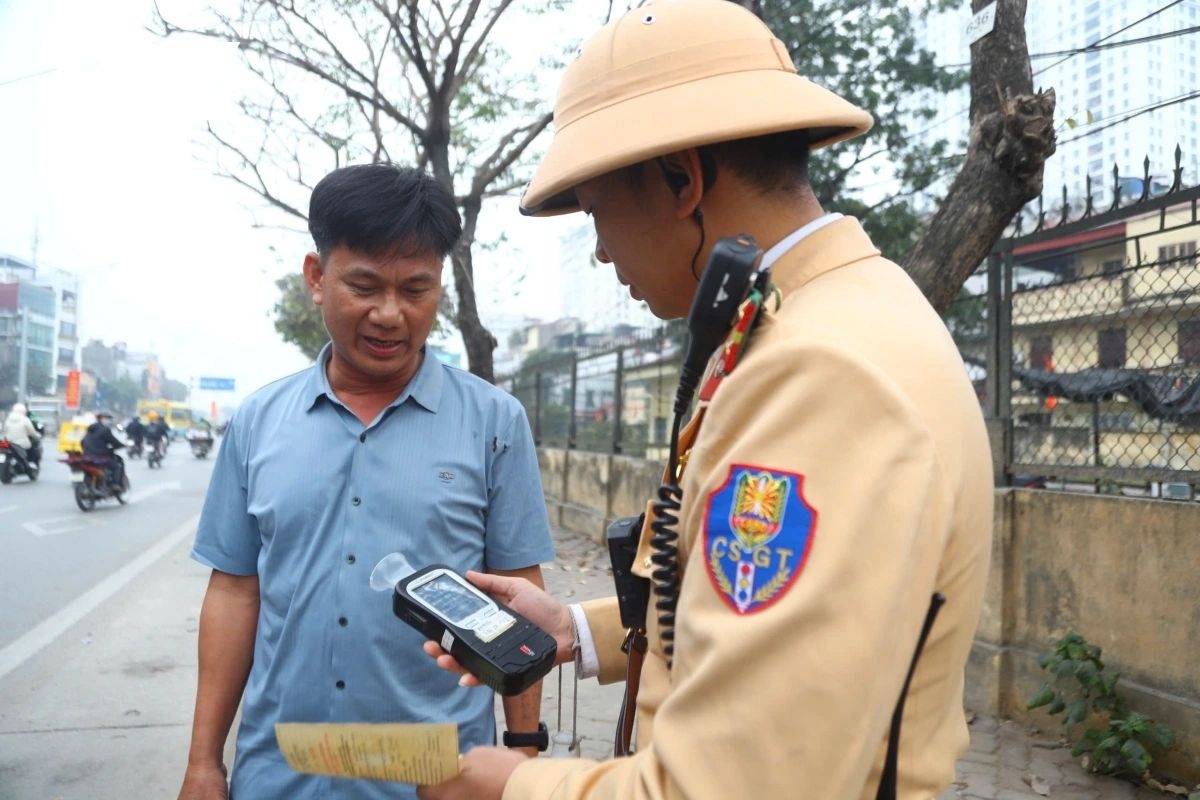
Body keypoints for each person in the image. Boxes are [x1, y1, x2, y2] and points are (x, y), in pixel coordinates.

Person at [418, 2, 994, 799]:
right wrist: (574, 630)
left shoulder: (822, 375)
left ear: (681, 179)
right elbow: (739, 612)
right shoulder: (826, 316)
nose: (598, 246)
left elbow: (734, 785)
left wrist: (511, 788)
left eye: (594, 210)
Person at [177, 163, 556, 800]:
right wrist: (203, 764)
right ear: (317, 278)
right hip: (280, 769)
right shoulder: (257, 424)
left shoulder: (494, 422)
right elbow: (235, 593)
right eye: (365, 285)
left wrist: (523, 756)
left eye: (416, 289)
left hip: (439, 775)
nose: (390, 314)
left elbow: (518, 593)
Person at [81, 409, 125, 488]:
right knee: (116, 467)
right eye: (106, 418)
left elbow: (82, 442)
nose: (108, 420)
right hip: (100, 457)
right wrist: (122, 445)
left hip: (87, 456)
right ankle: (115, 485)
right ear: (100, 418)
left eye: (109, 418)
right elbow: (114, 442)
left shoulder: (90, 429)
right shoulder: (105, 430)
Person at [3, 402, 41, 471]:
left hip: (9, 443)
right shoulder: (25, 419)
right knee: (32, 449)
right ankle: (31, 464)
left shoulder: (8, 419)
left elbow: (4, 431)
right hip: (22, 443)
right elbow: (32, 432)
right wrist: (36, 436)